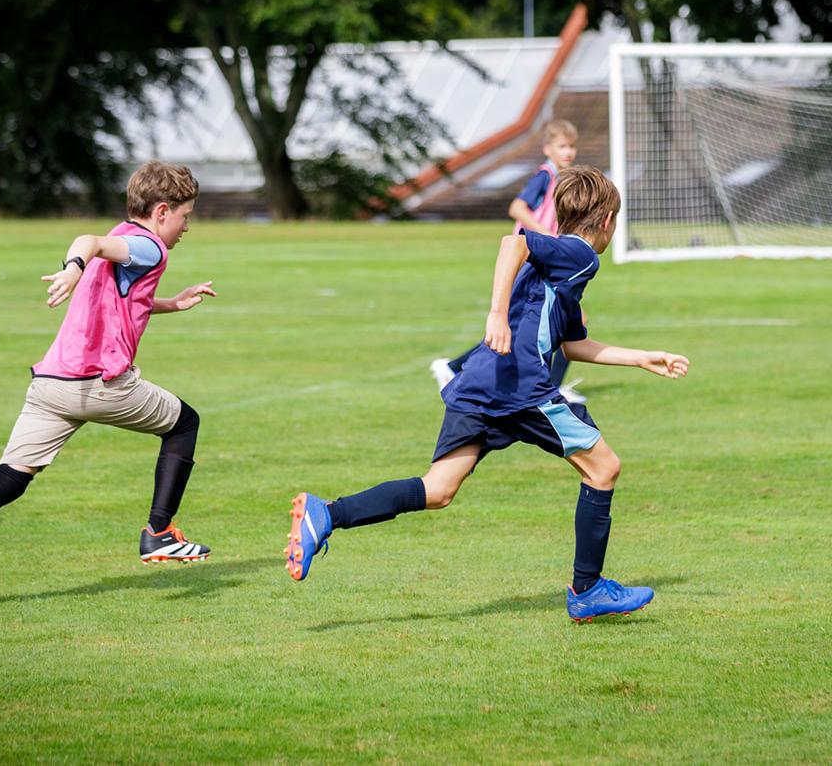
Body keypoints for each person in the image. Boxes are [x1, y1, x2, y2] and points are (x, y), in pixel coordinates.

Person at [289, 166, 690, 623]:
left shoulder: (561, 272)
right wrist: (496, 314)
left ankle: (327, 514)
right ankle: (588, 588)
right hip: (520, 386)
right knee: (604, 467)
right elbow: (512, 242)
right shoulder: (580, 255)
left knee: (438, 489)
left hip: (483, 382)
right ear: (607, 220)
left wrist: (642, 357)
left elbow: (573, 344)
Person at [0, 161, 217, 614]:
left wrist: (173, 302)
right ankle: (159, 534)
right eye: (186, 216)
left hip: (51, 383)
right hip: (101, 384)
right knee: (184, 422)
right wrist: (72, 266)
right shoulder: (147, 246)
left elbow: (125, 295)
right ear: (162, 211)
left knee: (8, 479)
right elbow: (90, 242)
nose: (187, 227)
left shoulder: (128, 236)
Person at [430, 119, 586, 403]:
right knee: (531, 324)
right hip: (529, 258)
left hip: (541, 259)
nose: (568, 152)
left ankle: (456, 369)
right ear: (547, 148)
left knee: (553, 321)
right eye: (562, 146)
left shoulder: (562, 178)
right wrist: (545, 234)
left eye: (572, 146)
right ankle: (457, 369)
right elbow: (517, 207)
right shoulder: (544, 176)